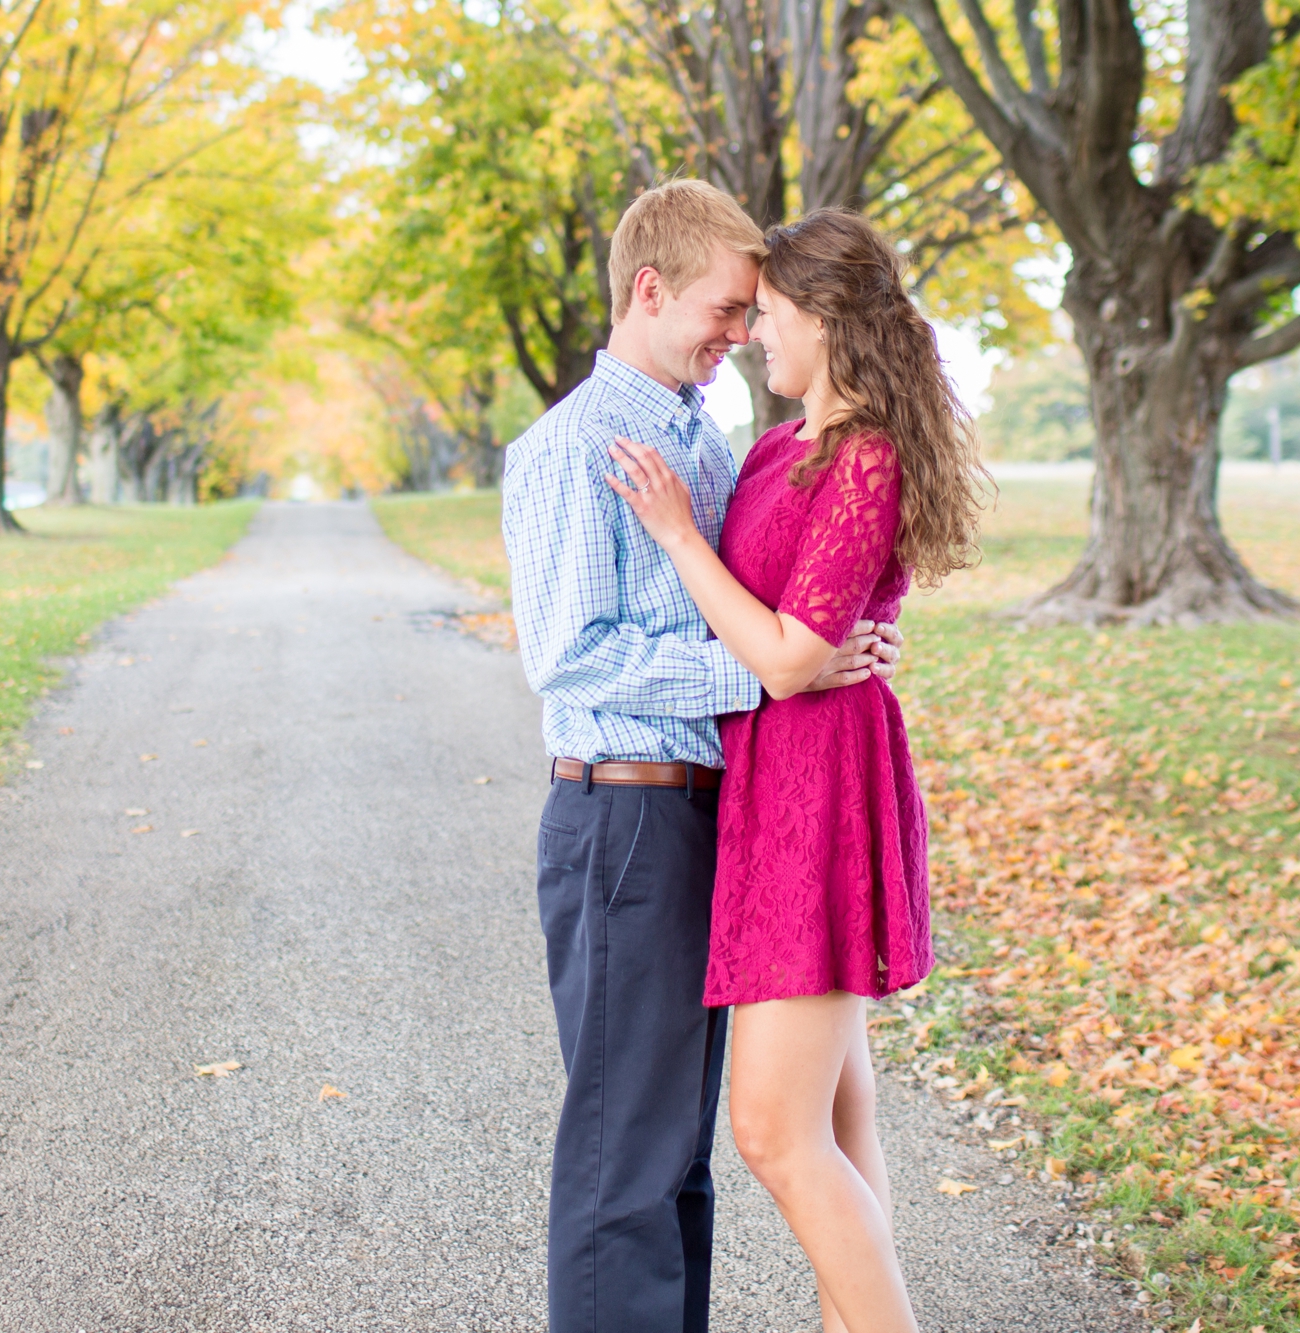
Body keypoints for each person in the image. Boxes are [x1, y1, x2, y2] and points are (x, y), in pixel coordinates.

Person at [501, 179, 904, 1333]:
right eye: (726, 309)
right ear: (648, 289)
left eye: (752, 313)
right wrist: (778, 668)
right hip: (621, 818)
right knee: (620, 1157)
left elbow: (765, 593)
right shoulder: (571, 446)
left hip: (711, 817)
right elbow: (570, 658)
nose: (739, 332)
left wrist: (830, 632)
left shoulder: (705, 435)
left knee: (678, 1157)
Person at [604, 207, 986, 1333]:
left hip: (818, 793)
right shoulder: (779, 445)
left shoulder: (863, 456)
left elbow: (780, 660)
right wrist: (813, 637)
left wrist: (679, 537)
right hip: (769, 788)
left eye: (765, 314)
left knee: (773, 1132)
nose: (752, 334)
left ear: (822, 316)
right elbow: (784, 631)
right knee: (839, 1122)